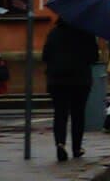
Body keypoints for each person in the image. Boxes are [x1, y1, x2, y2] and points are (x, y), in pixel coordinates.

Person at [41, 18, 99, 161]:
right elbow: (94, 58)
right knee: (78, 114)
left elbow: (45, 55)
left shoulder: (53, 33)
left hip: (57, 80)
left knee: (60, 112)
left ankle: (60, 143)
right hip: (80, 80)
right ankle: (77, 148)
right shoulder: (86, 33)